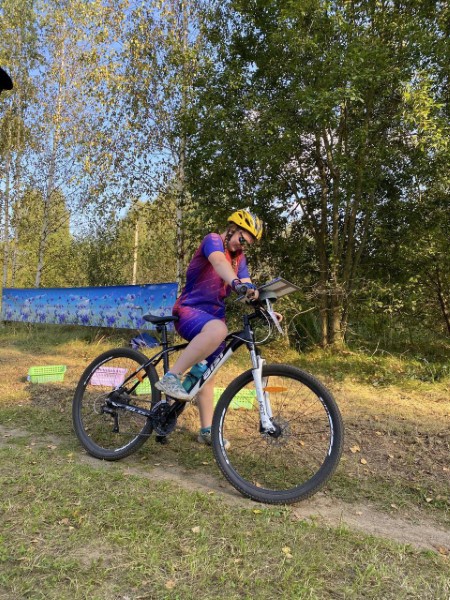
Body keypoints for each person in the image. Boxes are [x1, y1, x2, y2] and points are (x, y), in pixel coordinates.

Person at [155, 209, 274, 446]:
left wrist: (265, 306)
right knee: (219, 331)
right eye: (242, 239)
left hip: (214, 317)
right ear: (233, 228)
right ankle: (172, 376)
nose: (242, 246)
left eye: (247, 244)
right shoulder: (213, 240)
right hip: (189, 310)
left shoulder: (239, 259)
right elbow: (219, 262)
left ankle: (206, 430)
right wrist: (236, 283)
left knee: (209, 372)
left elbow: (247, 284)